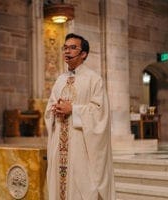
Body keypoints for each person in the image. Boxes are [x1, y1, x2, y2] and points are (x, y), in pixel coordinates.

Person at [44, 33, 115, 200]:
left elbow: (100, 112)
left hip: (81, 145)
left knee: (82, 186)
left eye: (72, 48)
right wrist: (54, 109)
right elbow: (49, 108)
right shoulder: (60, 80)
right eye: (65, 48)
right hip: (60, 144)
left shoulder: (94, 79)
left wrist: (73, 110)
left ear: (83, 54)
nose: (67, 51)